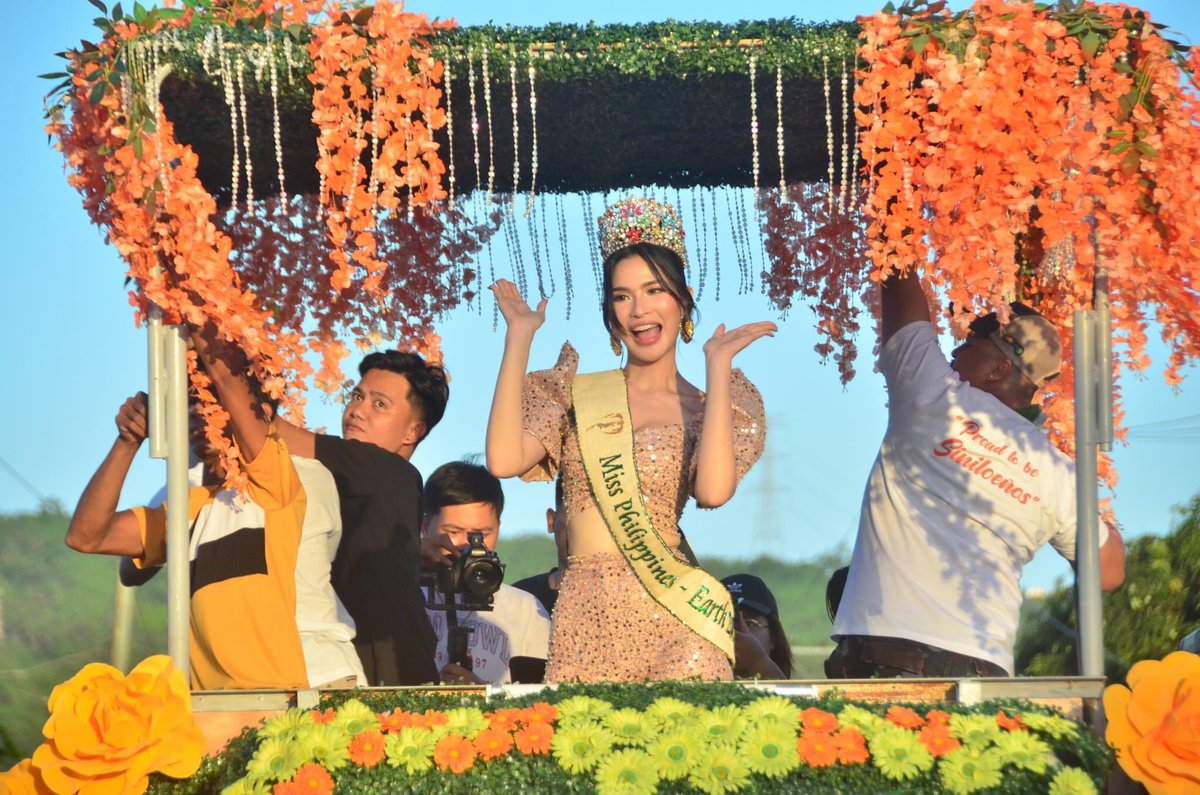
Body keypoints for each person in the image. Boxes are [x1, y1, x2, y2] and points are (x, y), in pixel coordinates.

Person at [485, 197, 775, 683]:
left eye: (654, 290)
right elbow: (503, 458)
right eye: (622, 296)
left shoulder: (712, 406)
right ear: (610, 311)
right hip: (584, 614)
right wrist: (519, 336)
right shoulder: (578, 393)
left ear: (682, 298)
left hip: (675, 618)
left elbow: (713, 492)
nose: (639, 310)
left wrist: (717, 367)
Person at [825, 267, 1126, 679]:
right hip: (985, 668)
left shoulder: (936, 395)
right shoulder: (1058, 472)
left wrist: (896, 211)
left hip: (890, 652)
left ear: (998, 368)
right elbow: (1109, 573)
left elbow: (895, 267)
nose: (952, 354)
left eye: (968, 345)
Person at [191, 325, 448, 686]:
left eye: (379, 404)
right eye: (357, 396)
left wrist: (213, 361)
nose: (358, 411)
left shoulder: (379, 466)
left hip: (386, 672)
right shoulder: (356, 480)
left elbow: (267, 432)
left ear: (412, 432)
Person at [66, 392, 365, 690]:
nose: (198, 409)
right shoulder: (191, 504)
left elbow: (233, 386)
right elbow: (87, 536)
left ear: (259, 415)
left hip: (312, 683)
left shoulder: (300, 476)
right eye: (190, 400)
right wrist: (128, 441)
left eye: (213, 398)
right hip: (227, 700)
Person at [421, 461, 551, 685]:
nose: (467, 545)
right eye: (453, 531)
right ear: (424, 527)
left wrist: (481, 691)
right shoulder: (405, 598)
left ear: (499, 528)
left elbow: (542, 699)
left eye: (481, 535)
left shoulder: (526, 609)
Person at [511, 475, 569, 616]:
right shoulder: (516, 601)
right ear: (551, 521)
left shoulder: (628, 598)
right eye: (576, 519)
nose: (587, 532)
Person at [721, 573, 793, 679]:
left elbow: (787, 694)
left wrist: (757, 663)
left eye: (750, 624)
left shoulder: (795, 693)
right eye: (724, 623)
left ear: (773, 638)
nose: (737, 633)